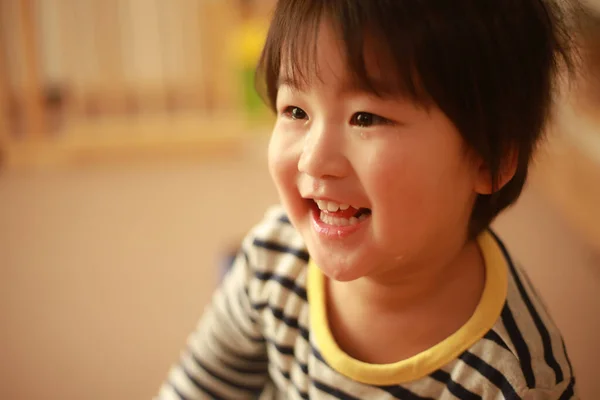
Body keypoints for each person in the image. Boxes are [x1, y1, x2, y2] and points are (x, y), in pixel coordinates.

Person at [157, 1, 578, 398]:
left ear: (489, 160)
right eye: (296, 112)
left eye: (367, 118)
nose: (314, 159)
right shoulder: (274, 257)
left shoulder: (513, 379)